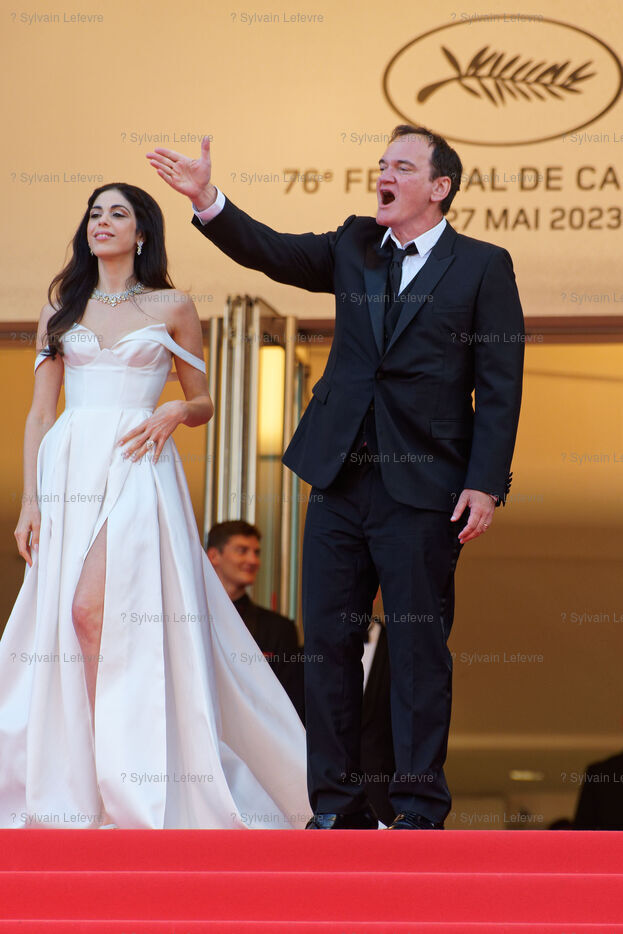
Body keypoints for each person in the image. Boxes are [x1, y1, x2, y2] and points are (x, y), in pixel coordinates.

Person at [147, 125, 524, 830]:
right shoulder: (356, 243)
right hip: (339, 477)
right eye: (382, 164)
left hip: (426, 488)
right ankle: (336, 808)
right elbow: (273, 251)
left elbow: (500, 383)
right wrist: (207, 200)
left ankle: (417, 809)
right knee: (326, 644)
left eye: (401, 166)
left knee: (416, 649)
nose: (384, 175)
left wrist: (485, 482)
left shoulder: (481, 266)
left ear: (438, 187)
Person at [0, 183, 309, 830]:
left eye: (118, 213)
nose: (102, 222)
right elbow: (40, 414)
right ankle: (84, 779)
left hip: (139, 463)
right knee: (68, 621)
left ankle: (121, 778)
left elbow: (204, 400)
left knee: (90, 611)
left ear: (142, 232)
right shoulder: (61, 306)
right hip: (69, 468)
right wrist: (30, 500)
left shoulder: (172, 305)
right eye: (95, 213)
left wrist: (175, 409)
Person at [207, 520, 305, 720]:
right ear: (214, 556)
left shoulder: (280, 629)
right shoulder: (187, 621)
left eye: (256, 552)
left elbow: (290, 707)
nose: (253, 560)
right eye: (242, 550)